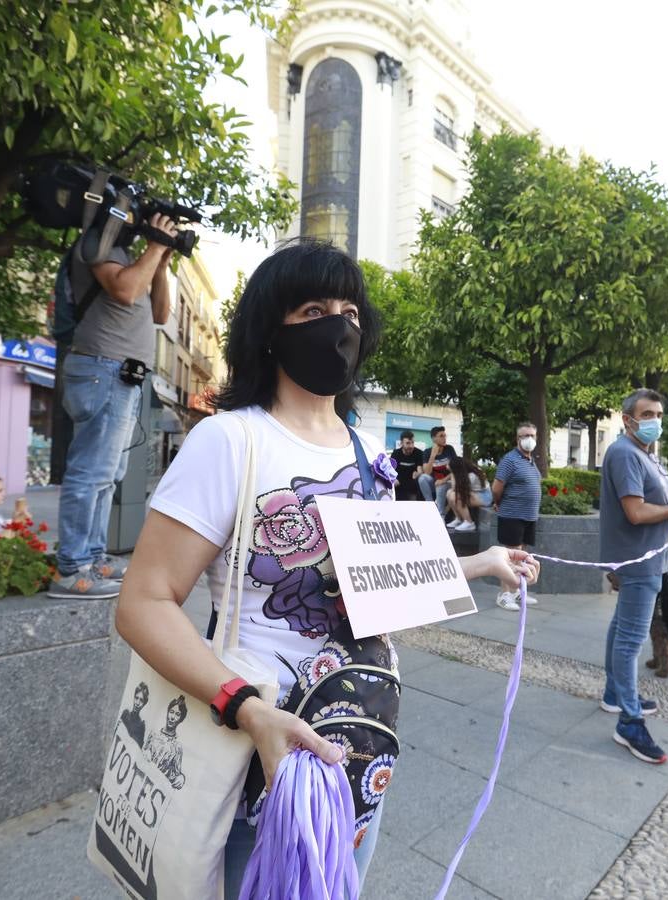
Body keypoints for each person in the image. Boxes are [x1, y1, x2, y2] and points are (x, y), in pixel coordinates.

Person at [113, 241, 539, 897]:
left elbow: (391, 580)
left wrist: (483, 562)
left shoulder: (373, 455)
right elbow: (143, 604)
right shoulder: (229, 441)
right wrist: (249, 711)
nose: (338, 325)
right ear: (270, 329)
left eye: (351, 312)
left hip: (359, 742)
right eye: (314, 308)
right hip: (258, 752)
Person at [50, 211, 180, 599]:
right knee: (90, 473)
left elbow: (159, 313)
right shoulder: (97, 244)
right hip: (101, 369)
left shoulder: (128, 255)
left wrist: (162, 262)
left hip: (121, 375)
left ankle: (92, 556)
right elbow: (123, 290)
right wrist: (155, 246)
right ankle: (71, 570)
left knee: (107, 474)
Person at [599, 389, 668, 765]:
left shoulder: (643, 453)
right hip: (638, 560)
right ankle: (629, 720)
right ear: (628, 419)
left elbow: (651, 506)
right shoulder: (626, 453)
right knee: (630, 640)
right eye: (647, 413)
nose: (654, 420)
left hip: (647, 557)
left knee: (620, 627)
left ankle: (615, 694)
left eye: (658, 413)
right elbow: (636, 512)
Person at [492, 421, 543, 610]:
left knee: (522, 557)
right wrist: (497, 503)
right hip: (512, 515)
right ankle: (504, 594)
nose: (529, 439)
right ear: (517, 438)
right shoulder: (509, 460)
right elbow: (496, 488)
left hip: (529, 516)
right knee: (510, 557)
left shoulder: (530, 460)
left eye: (532, 435)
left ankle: (518, 593)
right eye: (524, 436)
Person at [145, 695, 189, 790]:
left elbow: (175, 776)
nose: (172, 717)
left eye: (177, 714)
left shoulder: (177, 748)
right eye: (171, 712)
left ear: (181, 719)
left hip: (154, 790)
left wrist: (181, 778)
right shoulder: (154, 734)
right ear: (167, 712)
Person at [416, 425, 458, 517]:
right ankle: (430, 505)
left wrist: (443, 480)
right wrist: (433, 455)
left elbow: (456, 469)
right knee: (422, 478)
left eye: (445, 435)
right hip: (435, 482)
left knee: (441, 486)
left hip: (449, 481)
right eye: (441, 436)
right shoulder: (427, 452)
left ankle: (440, 515)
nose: (444, 438)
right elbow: (427, 472)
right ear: (434, 438)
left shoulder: (449, 449)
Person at [445, 455, 491, 531]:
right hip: (475, 494)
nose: (446, 466)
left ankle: (469, 523)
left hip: (485, 496)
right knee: (449, 492)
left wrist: (452, 472)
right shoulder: (466, 472)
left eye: (449, 464)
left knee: (455, 495)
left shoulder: (472, 475)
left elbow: (455, 488)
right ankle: (459, 519)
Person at [389, 430, 425, 501]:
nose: (411, 446)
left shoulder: (419, 453)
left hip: (412, 485)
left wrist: (418, 473)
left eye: (412, 443)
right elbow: (391, 470)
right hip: (398, 485)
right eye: (408, 443)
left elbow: (420, 471)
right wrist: (394, 480)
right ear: (402, 443)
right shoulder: (396, 453)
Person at [120, 681, 149, 748]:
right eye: (136, 698)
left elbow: (136, 749)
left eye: (141, 700)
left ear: (144, 704)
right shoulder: (125, 714)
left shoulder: (141, 726)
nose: (137, 703)